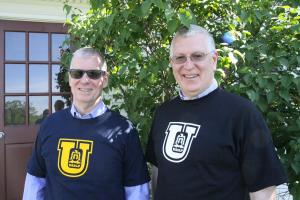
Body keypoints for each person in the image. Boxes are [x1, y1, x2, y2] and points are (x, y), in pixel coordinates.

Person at [145, 25, 287, 200]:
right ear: (171, 63)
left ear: (214, 59)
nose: (188, 65)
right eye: (180, 58)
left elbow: (264, 191)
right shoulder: (163, 113)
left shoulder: (242, 114)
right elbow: (159, 172)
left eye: (197, 56)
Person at [23, 47, 150, 200]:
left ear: (105, 79)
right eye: (77, 73)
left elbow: (136, 192)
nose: (85, 80)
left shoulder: (124, 131)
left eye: (93, 74)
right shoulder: (49, 125)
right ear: (70, 78)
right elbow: (35, 183)